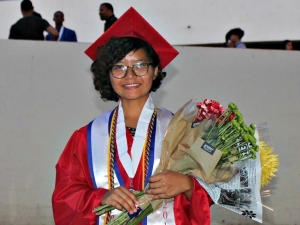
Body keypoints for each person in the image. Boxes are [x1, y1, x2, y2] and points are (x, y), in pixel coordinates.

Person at [52, 7, 213, 225]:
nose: (130, 75)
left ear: (155, 70)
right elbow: (65, 197)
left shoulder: (181, 130)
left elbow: (215, 190)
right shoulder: (85, 138)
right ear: (108, 75)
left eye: (140, 65)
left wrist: (187, 184)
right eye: (119, 67)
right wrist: (101, 197)